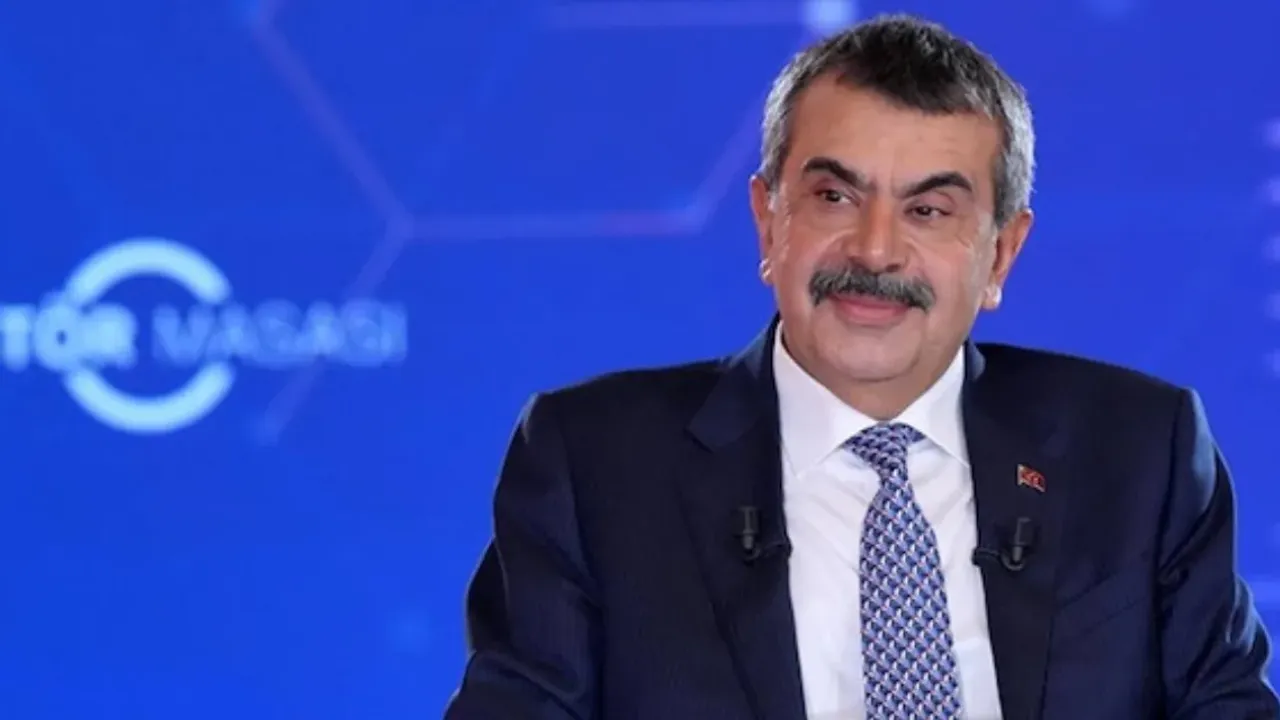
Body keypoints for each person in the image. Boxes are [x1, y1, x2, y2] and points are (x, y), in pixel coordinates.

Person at [444, 13, 1279, 720]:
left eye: (929, 210)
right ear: (768, 220)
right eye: (835, 197)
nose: (876, 250)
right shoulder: (594, 464)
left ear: (1001, 254)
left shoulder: (1140, 452)